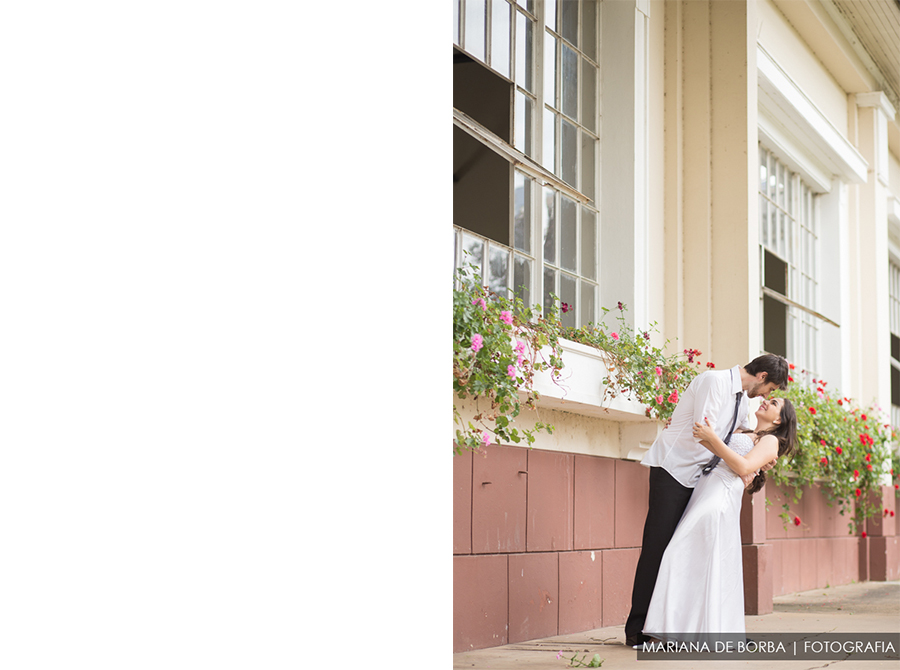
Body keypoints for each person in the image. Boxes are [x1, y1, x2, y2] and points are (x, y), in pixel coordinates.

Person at [623, 354, 789, 648]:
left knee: (688, 555)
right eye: (771, 389)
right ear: (762, 376)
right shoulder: (714, 381)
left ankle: (687, 627)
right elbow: (704, 433)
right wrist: (745, 463)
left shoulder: (740, 400)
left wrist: (760, 459)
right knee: (658, 548)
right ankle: (638, 630)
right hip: (673, 470)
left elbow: (737, 438)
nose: (766, 395)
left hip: (700, 481)